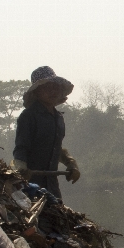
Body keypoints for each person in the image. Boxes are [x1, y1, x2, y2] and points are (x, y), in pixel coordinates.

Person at [13, 66, 81, 200]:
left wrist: (70, 163)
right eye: (46, 87)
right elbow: (21, 147)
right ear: (36, 92)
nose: (52, 91)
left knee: (58, 215)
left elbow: (55, 147)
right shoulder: (29, 116)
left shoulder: (58, 117)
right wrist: (21, 168)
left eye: (55, 87)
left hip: (52, 183)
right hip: (32, 184)